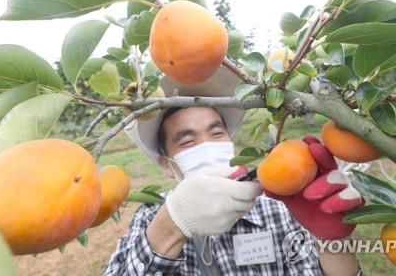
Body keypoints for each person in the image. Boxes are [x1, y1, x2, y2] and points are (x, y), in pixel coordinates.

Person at [104, 68, 362, 275]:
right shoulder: (152, 216)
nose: (207, 145)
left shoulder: (276, 207)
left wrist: (332, 244)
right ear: (167, 165)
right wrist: (173, 225)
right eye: (187, 141)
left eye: (217, 133)